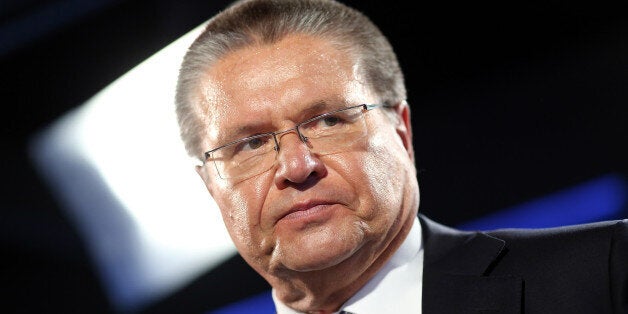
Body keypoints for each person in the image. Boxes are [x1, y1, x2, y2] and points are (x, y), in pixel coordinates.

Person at [174, 0, 628, 313]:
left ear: (402, 132)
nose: (297, 166)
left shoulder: (606, 273)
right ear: (212, 187)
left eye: (328, 120)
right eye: (250, 144)